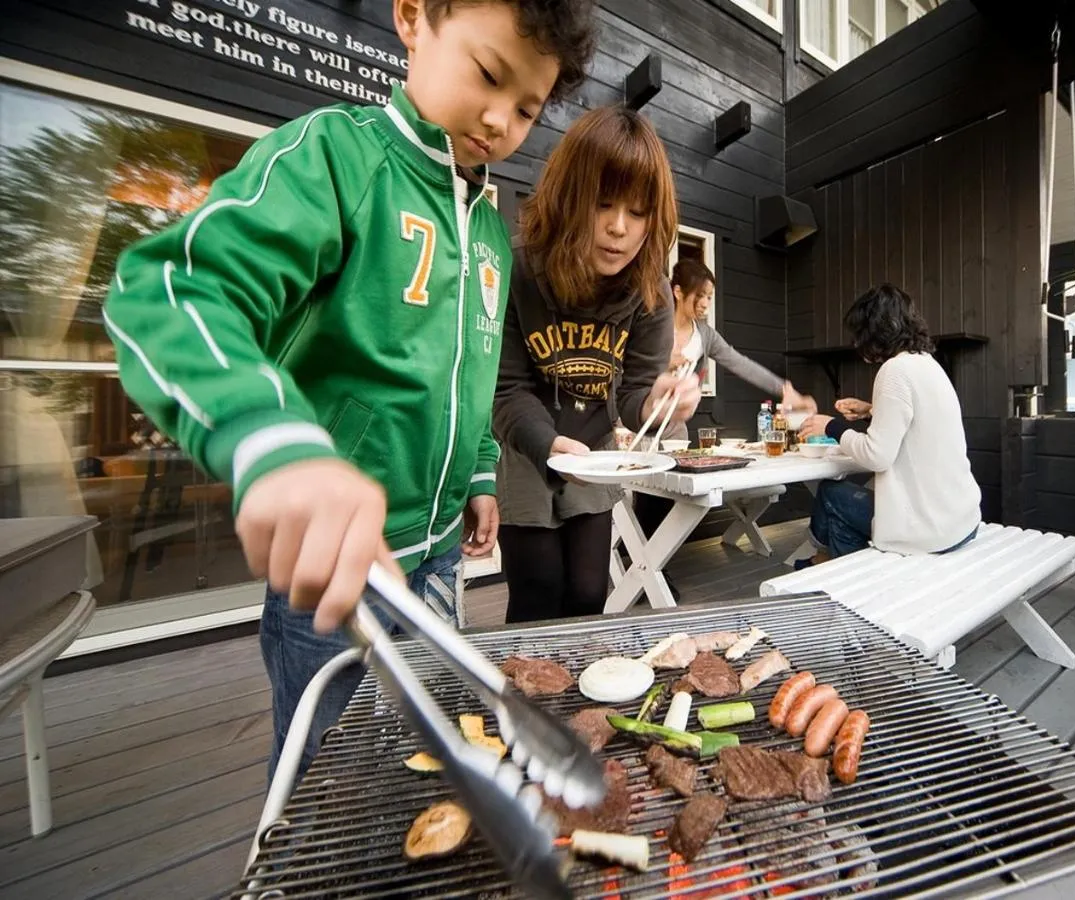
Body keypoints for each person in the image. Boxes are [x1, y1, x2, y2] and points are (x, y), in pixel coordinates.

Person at [102, 0, 597, 779]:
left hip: (437, 567)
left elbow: (469, 370)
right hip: (334, 580)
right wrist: (277, 447)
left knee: (416, 761)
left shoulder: (495, 232)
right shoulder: (334, 158)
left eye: (528, 107)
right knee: (319, 780)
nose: (501, 119)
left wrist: (475, 472)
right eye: (487, 73)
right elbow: (171, 290)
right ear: (412, 17)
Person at [492, 105, 701, 624]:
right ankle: (524, 695)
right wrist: (548, 444)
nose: (618, 229)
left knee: (588, 591)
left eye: (636, 213)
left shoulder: (649, 291)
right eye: (603, 205)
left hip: (598, 450)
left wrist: (662, 401)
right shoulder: (519, 267)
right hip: (528, 448)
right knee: (537, 587)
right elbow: (508, 387)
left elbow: (634, 399)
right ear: (569, 199)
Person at [631, 258, 816, 596]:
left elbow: (739, 362)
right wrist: (662, 362)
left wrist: (783, 388)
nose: (704, 304)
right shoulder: (653, 323)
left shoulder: (705, 335)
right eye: (699, 296)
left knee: (667, 499)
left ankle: (656, 569)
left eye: (709, 297)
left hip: (674, 431)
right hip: (640, 424)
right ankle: (641, 569)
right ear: (677, 291)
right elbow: (630, 368)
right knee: (645, 496)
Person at [797, 283, 981, 563]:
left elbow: (876, 456)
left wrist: (831, 426)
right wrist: (872, 410)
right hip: (961, 521)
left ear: (875, 332)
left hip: (929, 531)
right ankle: (822, 560)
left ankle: (828, 567)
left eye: (859, 334)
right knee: (856, 500)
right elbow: (920, 420)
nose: (857, 343)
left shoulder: (894, 370)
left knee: (831, 493)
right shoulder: (927, 364)